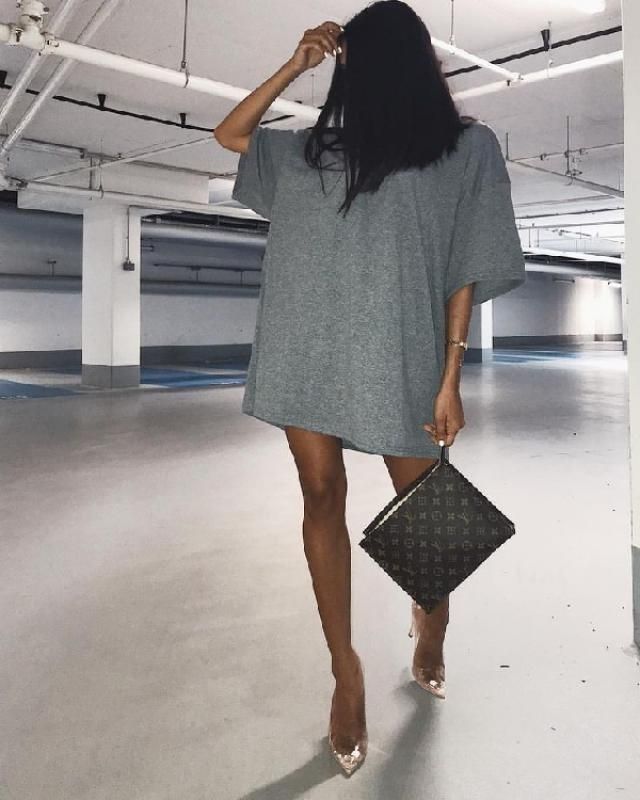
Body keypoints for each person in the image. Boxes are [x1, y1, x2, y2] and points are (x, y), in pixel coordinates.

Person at [214, 0, 525, 778]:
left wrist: (450, 377)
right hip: (306, 352)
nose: (345, 67)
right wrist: (295, 65)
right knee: (321, 496)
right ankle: (344, 673)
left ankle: (432, 624)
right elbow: (230, 133)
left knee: (426, 518)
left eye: (353, 54)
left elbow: (465, 263)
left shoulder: (462, 150)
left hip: (402, 354)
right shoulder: (310, 153)